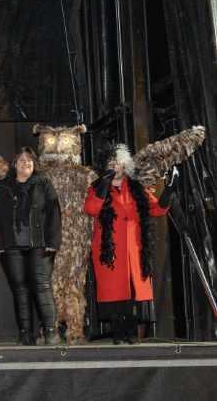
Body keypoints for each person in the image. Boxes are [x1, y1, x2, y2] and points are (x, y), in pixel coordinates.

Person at [84, 144, 170, 344]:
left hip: (133, 250)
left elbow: (157, 209)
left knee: (132, 292)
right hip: (109, 250)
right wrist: (103, 186)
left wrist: (169, 190)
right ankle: (118, 332)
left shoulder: (136, 188)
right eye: (111, 163)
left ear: (125, 165)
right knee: (115, 292)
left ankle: (131, 332)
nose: (115, 166)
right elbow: (91, 209)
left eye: (118, 162)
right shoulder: (96, 187)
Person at [0, 147, 62, 345]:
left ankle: (50, 331)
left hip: (40, 245)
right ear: (15, 164)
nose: (26, 163)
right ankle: (25, 333)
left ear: (34, 163)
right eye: (21, 160)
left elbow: (54, 213)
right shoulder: (3, 186)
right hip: (12, 246)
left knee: (42, 285)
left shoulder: (43, 183)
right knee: (20, 289)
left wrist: (53, 242)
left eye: (29, 160)